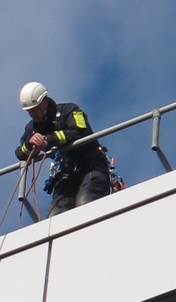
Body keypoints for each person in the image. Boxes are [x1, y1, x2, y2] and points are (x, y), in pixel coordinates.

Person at [15, 82, 110, 217]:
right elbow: (20, 153)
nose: (33, 114)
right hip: (66, 174)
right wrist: (31, 145)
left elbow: (80, 132)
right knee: (56, 215)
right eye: (30, 111)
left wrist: (50, 139)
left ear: (45, 101)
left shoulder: (69, 110)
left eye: (35, 108)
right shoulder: (31, 129)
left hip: (92, 166)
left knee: (86, 203)